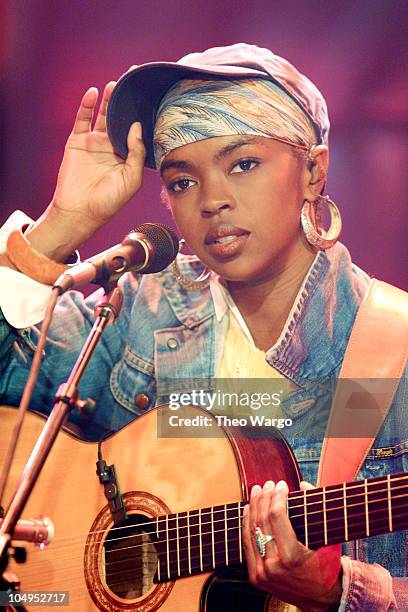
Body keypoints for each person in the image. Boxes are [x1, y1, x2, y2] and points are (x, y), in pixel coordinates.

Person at [0, 43, 406, 610]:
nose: (212, 199)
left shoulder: (392, 350)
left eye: (243, 164)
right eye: (182, 180)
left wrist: (342, 592)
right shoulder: (145, 307)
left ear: (314, 171)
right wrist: (63, 224)